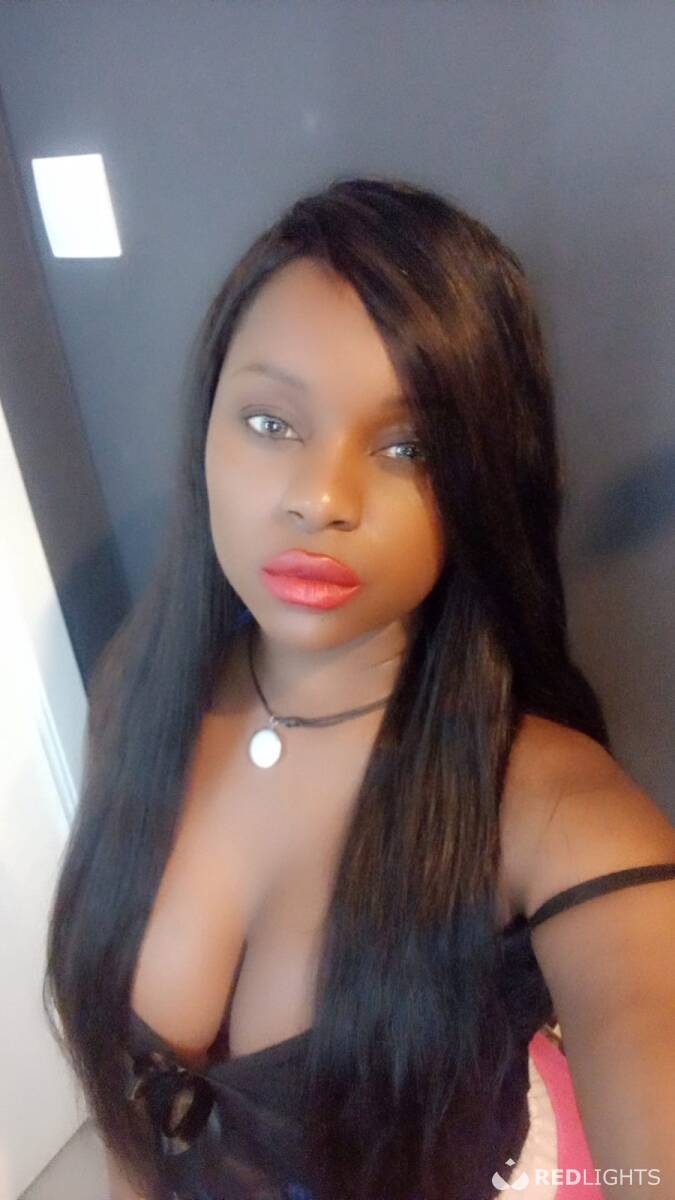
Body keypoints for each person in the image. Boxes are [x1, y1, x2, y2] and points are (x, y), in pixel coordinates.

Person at [44, 176, 675, 1200]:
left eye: (407, 446)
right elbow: (132, 1125)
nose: (321, 498)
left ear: (479, 480)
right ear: (205, 432)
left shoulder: (551, 808)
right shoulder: (138, 693)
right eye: (269, 422)